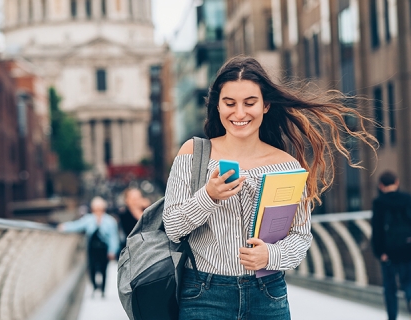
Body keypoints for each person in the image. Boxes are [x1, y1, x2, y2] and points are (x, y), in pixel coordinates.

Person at [162, 55, 378, 319]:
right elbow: (172, 227)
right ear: (217, 106)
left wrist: (270, 255)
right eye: (229, 103)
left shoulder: (287, 166)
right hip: (204, 295)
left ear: (265, 106)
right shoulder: (194, 153)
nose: (239, 113)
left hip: (267, 295)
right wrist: (209, 196)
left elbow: (300, 236)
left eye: (249, 103)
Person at [58, 197, 120, 298]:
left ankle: (103, 290)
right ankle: (95, 287)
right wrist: (64, 227)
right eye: (96, 208)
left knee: (104, 269)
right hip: (92, 248)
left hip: (104, 248)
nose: (98, 210)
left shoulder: (110, 221)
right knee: (92, 268)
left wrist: (112, 251)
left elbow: (114, 237)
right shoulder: (89, 219)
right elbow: (77, 225)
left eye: (100, 208)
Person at [371, 171, 411, 320]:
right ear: (397, 182)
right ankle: (410, 297)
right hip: (407, 249)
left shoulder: (379, 202)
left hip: (388, 252)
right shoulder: (407, 199)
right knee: (408, 282)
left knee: (390, 288)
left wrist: (380, 252)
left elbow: (377, 229)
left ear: (381, 185)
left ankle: (392, 317)